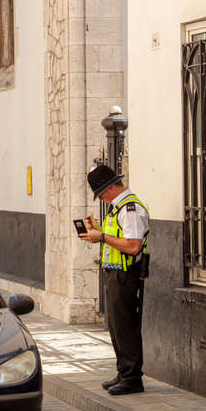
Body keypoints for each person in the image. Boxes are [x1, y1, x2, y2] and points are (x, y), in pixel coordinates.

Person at [79, 165, 149, 395]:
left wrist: (102, 237)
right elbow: (120, 236)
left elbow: (133, 245)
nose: (100, 198)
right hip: (115, 273)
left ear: (110, 188)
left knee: (125, 326)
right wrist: (98, 231)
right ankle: (123, 372)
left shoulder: (129, 208)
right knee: (116, 326)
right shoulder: (118, 208)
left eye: (100, 193)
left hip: (125, 274)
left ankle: (132, 377)